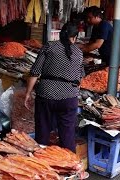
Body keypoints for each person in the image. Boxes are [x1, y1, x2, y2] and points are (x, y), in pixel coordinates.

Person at [24, 22, 84, 152]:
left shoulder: (49, 46)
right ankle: (70, 165)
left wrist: (28, 93)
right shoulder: (79, 53)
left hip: (46, 94)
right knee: (67, 134)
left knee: (43, 130)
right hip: (69, 98)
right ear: (74, 37)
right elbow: (80, 77)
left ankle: (41, 161)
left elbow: (35, 72)